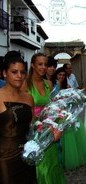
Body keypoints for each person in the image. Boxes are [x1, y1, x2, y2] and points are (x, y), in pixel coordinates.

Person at [25, 53, 66, 184]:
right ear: (33, 65)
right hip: (35, 132)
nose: (43, 67)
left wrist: (58, 122)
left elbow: (52, 106)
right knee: (41, 165)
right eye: (40, 64)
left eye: (45, 64)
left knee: (53, 162)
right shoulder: (25, 84)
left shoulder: (48, 83)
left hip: (49, 129)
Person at [0, 51, 36, 184]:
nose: (19, 76)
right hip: (4, 158)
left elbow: (32, 127)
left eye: (22, 72)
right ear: (4, 73)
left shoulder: (28, 97)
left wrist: (50, 133)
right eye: (14, 72)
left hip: (26, 155)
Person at [51, 67, 86, 170]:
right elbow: (51, 99)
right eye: (59, 74)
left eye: (63, 75)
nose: (61, 77)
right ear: (56, 75)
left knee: (72, 133)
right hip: (56, 112)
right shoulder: (52, 85)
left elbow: (72, 96)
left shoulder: (67, 86)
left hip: (67, 111)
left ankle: (72, 157)